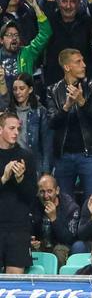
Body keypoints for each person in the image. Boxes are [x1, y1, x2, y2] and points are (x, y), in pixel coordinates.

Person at [46, 48, 92, 199]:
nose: (84, 65)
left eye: (83, 61)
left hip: (89, 154)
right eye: (78, 62)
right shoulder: (53, 90)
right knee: (64, 202)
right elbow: (52, 123)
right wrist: (66, 107)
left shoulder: (91, 85)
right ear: (67, 67)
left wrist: (82, 101)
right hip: (63, 157)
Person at [0, 111, 35, 273]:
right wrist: (4, 178)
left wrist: (20, 180)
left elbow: (31, 196)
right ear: (0, 129)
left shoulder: (26, 156)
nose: (16, 132)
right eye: (11, 128)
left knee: (15, 281)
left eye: (18, 129)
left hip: (18, 227)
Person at [3, 74, 51, 174]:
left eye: (21, 88)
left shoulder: (40, 112)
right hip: (12, 164)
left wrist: (46, 171)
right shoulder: (8, 112)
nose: (17, 92)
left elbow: (46, 144)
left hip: (34, 166)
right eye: (15, 89)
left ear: (30, 89)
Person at [31, 173, 79, 268]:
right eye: (42, 192)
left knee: (59, 251)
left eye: (49, 191)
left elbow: (69, 239)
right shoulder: (33, 205)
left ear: (57, 191)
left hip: (61, 245)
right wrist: (31, 241)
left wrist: (54, 219)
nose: (46, 196)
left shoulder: (70, 207)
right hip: (40, 244)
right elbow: (28, 229)